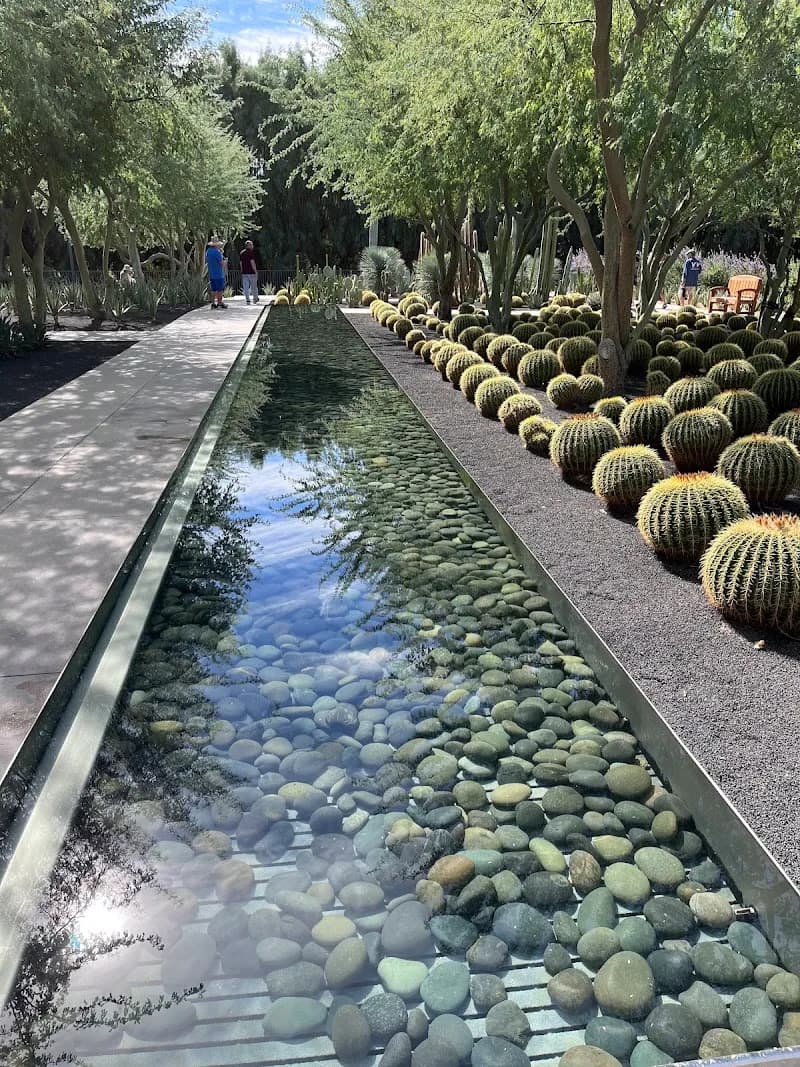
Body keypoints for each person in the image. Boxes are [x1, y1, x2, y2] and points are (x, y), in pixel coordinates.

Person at [205, 236, 227, 309]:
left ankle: (213, 303)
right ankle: (220, 303)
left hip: (211, 273)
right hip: (218, 273)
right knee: (220, 289)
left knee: (213, 289)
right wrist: (225, 261)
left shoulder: (208, 252)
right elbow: (221, 263)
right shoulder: (217, 252)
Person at [240, 240, 259, 304]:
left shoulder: (242, 253)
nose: (253, 246)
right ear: (249, 246)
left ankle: (247, 299)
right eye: (252, 245)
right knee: (254, 286)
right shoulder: (251, 253)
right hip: (251, 272)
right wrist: (255, 271)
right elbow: (252, 262)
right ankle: (255, 298)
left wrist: (242, 270)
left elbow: (241, 263)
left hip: (244, 272)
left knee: (246, 287)